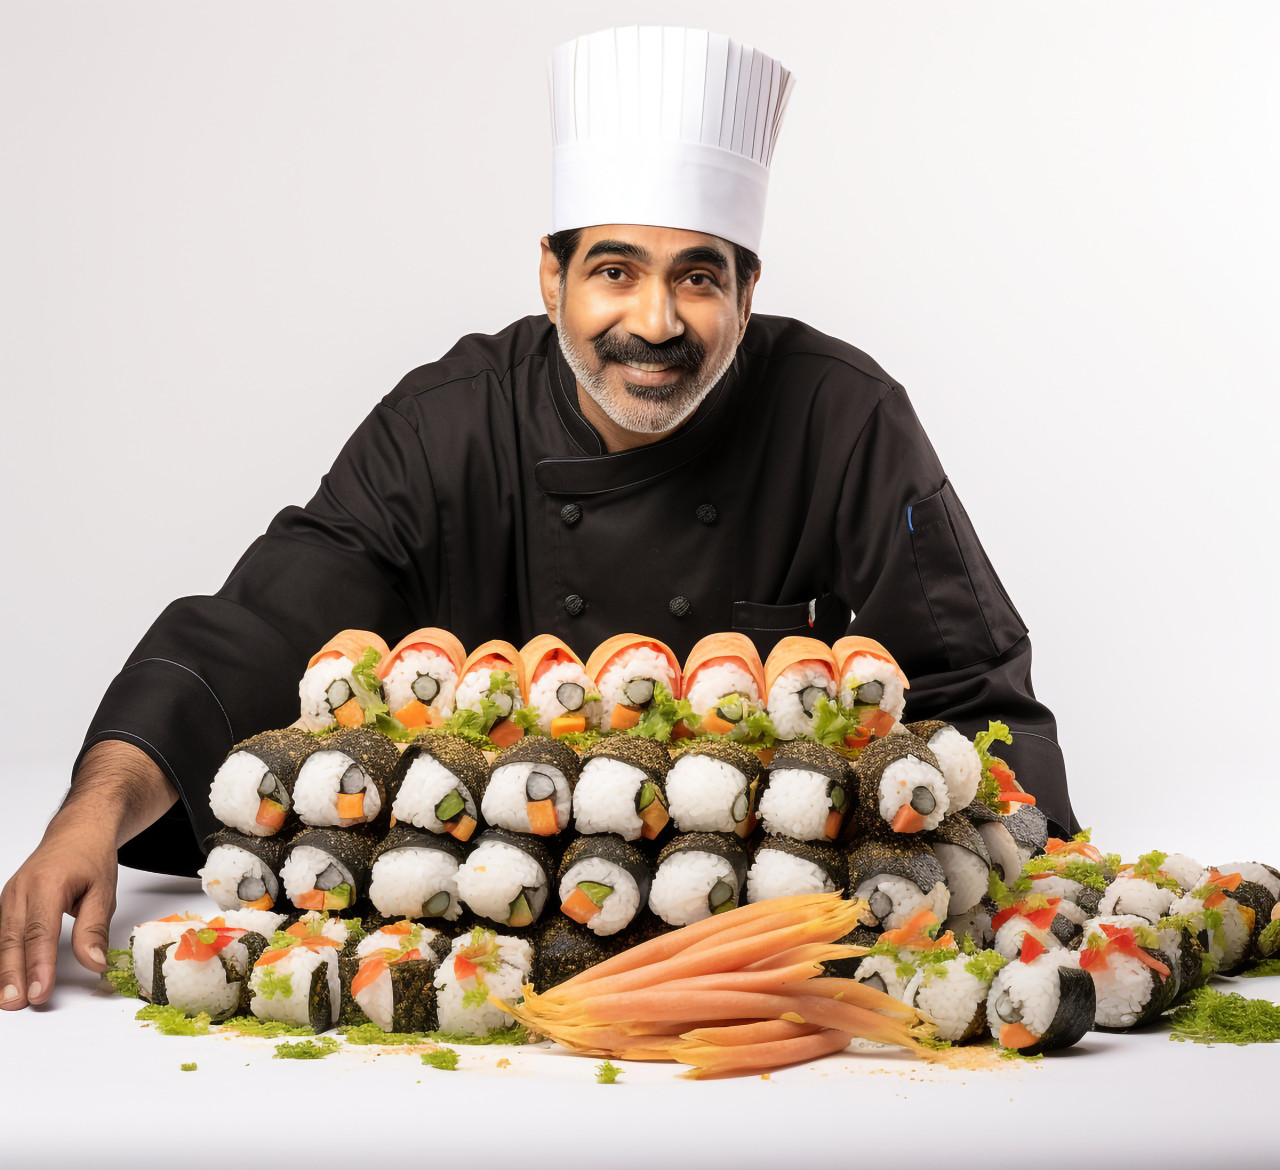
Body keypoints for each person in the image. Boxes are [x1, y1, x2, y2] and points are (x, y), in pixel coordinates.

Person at [0, 25, 1077, 1012]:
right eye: (614, 270)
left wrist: (1003, 893)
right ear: (550, 276)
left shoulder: (839, 417)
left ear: (745, 295)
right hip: (486, 932)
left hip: (763, 947)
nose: (653, 323)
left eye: (697, 279)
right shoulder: (446, 426)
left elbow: (978, 700)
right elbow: (262, 624)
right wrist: (93, 811)